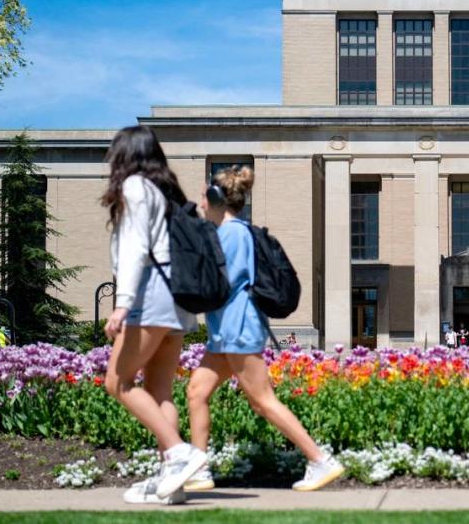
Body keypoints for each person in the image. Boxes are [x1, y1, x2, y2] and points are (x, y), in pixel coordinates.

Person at [185, 166, 344, 492]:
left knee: (262, 401)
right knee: (197, 392)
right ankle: (198, 469)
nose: (200, 202)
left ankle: (320, 460)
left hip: (238, 329)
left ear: (216, 198)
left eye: (203, 196)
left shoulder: (232, 234)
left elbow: (217, 284)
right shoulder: (227, 233)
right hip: (225, 334)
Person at [101, 126, 207, 505]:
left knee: (117, 381)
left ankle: (179, 453)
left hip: (151, 292)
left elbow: (134, 249)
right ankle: (171, 482)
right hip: (177, 298)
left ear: (126, 154)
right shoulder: (167, 193)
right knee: (159, 392)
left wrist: (123, 303)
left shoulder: (134, 188)